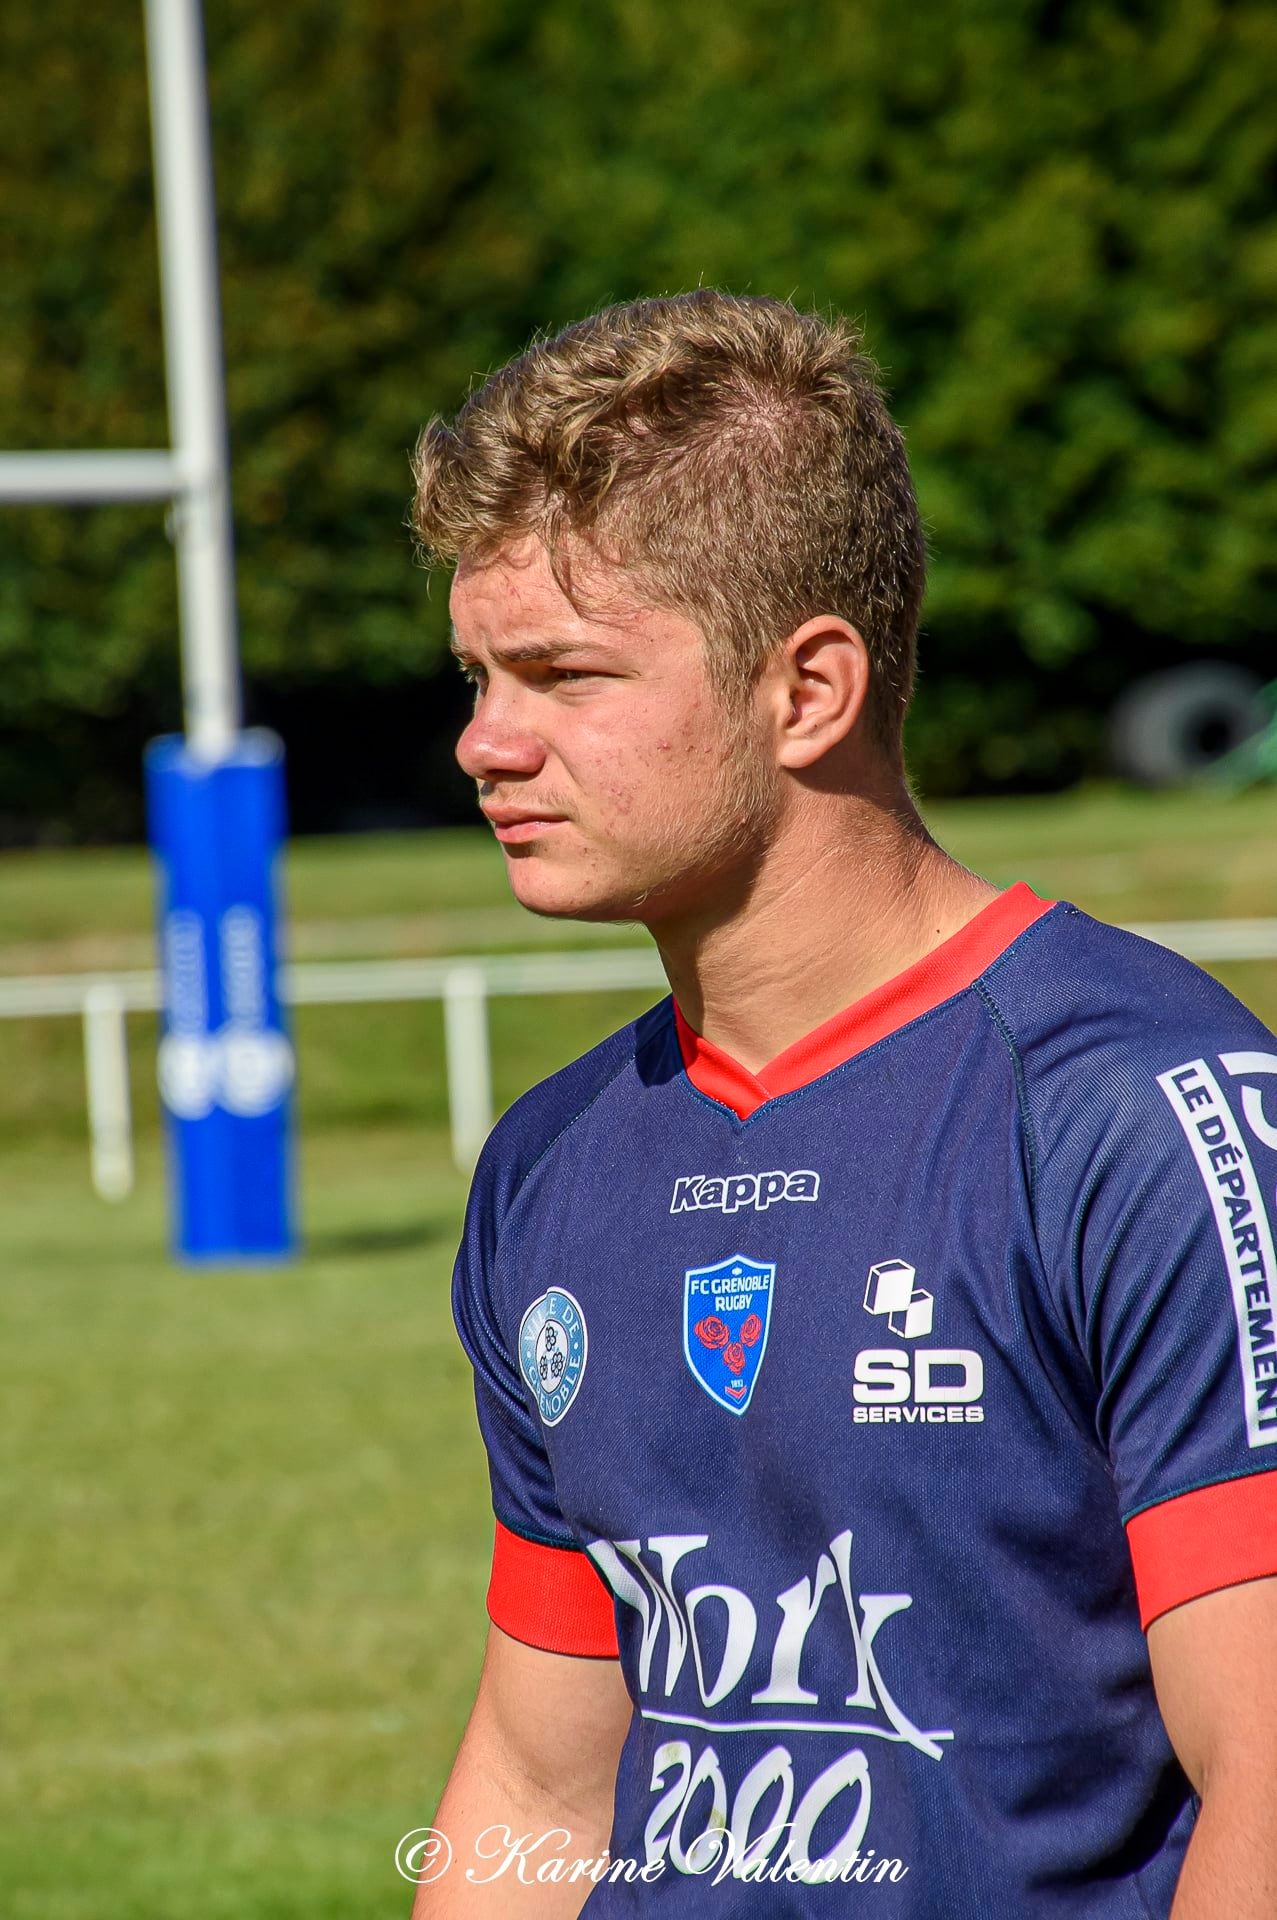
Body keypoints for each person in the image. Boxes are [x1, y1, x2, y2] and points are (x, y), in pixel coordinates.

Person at [407, 290, 1277, 1916]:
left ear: (807, 689)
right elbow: (539, 1777)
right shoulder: (550, 1165)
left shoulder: (1136, 1112)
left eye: (561, 675)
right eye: (476, 673)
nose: (482, 740)